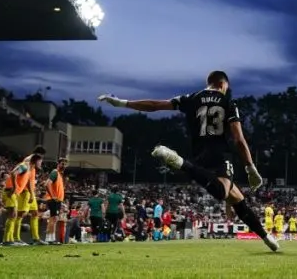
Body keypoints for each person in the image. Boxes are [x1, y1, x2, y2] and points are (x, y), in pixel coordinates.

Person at [99, 70, 278, 252]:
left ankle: (266, 237)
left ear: (209, 82)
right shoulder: (228, 102)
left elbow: (154, 105)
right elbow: (239, 139)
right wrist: (250, 168)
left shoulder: (190, 98)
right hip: (220, 154)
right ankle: (179, 162)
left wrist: (122, 102)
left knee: (238, 199)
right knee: (223, 192)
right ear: (223, 85)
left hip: (200, 156)